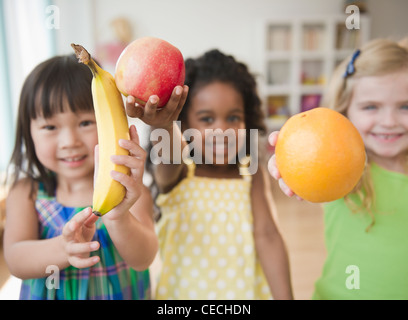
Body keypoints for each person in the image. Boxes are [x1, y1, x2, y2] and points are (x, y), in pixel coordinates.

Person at [125, 49, 293, 300]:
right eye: (207, 119)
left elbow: (268, 236)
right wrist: (164, 125)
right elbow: (171, 154)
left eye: (233, 117)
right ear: (185, 122)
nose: (222, 131)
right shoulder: (179, 170)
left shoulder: (250, 171)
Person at [3, 54, 158, 300]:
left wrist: (119, 217)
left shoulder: (130, 192)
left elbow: (143, 259)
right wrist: (63, 249)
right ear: (28, 131)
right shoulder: (27, 193)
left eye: (86, 122)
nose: (70, 142)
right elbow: (15, 259)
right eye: (50, 127)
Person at [268, 38, 408, 299]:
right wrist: (291, 161)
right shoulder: (345, 169)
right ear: (344, 112)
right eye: (371, 107)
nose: (389, 121)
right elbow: (312, 169)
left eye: (405, 106)